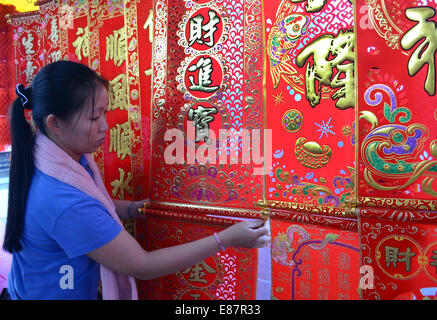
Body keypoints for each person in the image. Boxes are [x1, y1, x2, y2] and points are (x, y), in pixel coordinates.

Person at [2, 60, 271, 300]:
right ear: (55, 123)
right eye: (94, 117)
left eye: (105, 113)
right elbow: (141, 264)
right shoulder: (62, 201)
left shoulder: (50, 154)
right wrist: (224, 239)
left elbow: (94, 201)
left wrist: (133, 209)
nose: (105, 126)